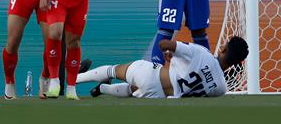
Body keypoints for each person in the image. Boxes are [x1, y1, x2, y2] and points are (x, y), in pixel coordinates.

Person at [77, 36, 249, 98]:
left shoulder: (202, 53)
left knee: (114, 70)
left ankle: (74, 79)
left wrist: (168, 52)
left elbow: (164, 43)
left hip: (152, 75)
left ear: (224, 49)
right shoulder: (221, 88)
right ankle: (103, 89)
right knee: (133, 90)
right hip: (159, 95)